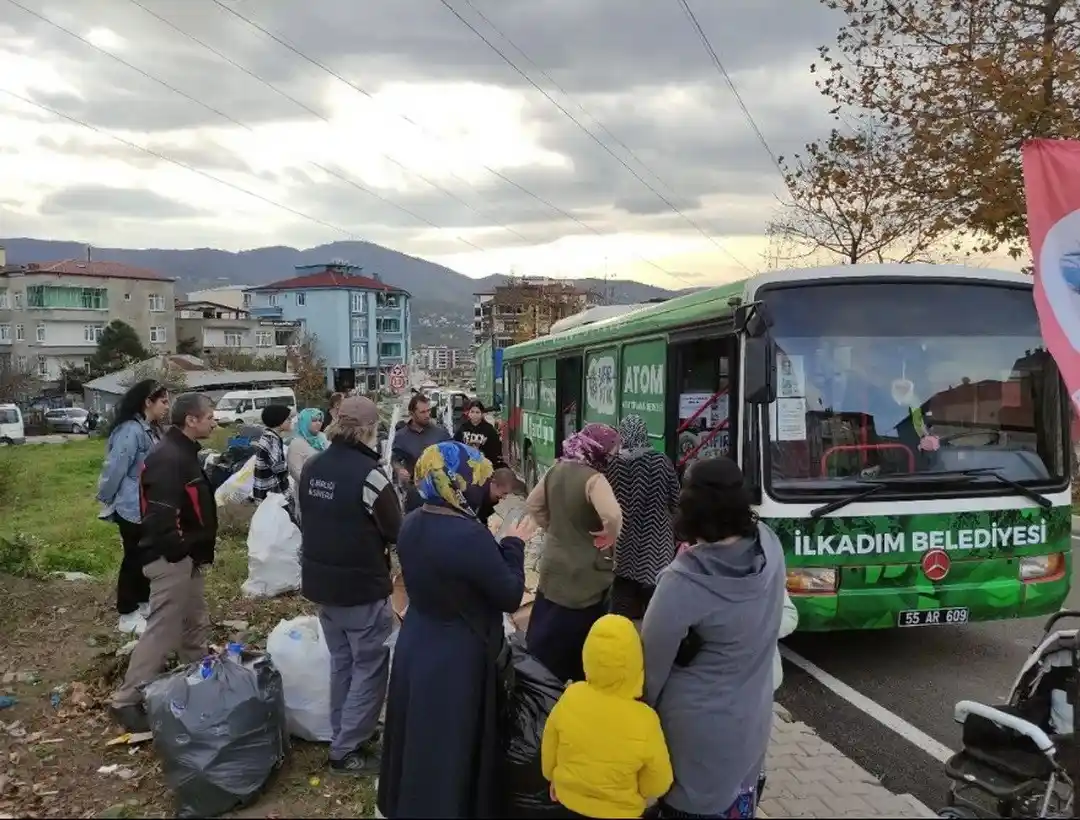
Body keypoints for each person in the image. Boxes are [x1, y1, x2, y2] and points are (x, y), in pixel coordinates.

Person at [377, 441, 536, 819]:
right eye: (476, 478)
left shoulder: (414, 520)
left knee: (419, 739)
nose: (480, 487)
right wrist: (513, 544)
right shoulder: (467, 535)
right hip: (458, 655)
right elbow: (510, 595)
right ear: (456, 482)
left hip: (418, 642)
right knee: (452, 746)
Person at [641, 457, 786, 819]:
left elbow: (648, 676)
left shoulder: (682, 582)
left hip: (694, 738)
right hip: (750, 722)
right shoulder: (770, 548)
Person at [298, 396, 401, 775]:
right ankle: (347, 750)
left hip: (321, 583)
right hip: (360, 586)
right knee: (370, 666)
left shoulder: (312, 466)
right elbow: (395, 529)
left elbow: (303, 515)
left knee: (343, 663)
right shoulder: (370, 475)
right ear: (370, 430)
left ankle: (344, 730)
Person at [109, 393, 219, 733]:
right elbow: (160, 516)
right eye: (210, 416)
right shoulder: (168, 458)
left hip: (188, 557)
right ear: (191, 420)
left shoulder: (183, 452)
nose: (215, 421)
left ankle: (201, 685)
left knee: (194, 622)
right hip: (171, 559)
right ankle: (126, 700)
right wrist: (179, 552)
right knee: (163, 628)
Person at [541, 613, 673, 819]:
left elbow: (550, 744)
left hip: (571, 802)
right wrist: (641, 793)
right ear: (635, 662)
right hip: (620, 812)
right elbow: (659, 781)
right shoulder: (646, 720)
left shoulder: (571, 697)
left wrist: (553, 777)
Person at [525, 423, 622, 684]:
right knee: (581, 634)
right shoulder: (594, 478)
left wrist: (553, 528)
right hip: (585, 573)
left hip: (553, 563)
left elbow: (533, 503)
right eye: (612, 450)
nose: (613, 456)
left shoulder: (557, 468)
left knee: (547, 624)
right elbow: (612, 514)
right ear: (599, 449)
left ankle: (541, 681)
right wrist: (609, 535)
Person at [96, 379, 170, 636]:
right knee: (133, 559)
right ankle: (127, 613)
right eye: (163, 401)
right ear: (147, 402)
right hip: (131, 506)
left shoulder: (152, 430)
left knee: (147, 558)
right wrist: (105, 497)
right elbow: (115, 467)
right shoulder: (131, 431)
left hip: (149, 506)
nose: (166, 407)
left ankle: (143, 603)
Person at [605, 414, 681, 621]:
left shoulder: (613, 465)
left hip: (625, 541)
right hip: (657, 542)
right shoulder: (660, 461)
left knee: (623, 600)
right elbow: (676, 499)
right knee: (658, 602)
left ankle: (623, 637)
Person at [391, 393, 450, 513]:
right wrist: (399, 470)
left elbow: (453, 456)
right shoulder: (401, 436)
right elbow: (395, 459)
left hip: (439, 492)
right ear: (412, 414)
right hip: (415, 493)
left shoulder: (441, 433)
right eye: (423, 412)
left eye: (428, 411)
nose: (427, 415)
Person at [253, 404, 292, 501]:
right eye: (288, 419)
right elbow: (277, 466)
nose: (290, 421)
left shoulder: (268, 436)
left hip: (265, 488)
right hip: (270, 490)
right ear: (279, 421)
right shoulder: (271, 439)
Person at [454, 399, 503, 467]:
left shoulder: (489, 429)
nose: (474, 415)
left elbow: (496, 449)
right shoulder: (463, 427)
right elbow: (455, 445)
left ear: (482, 414)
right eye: (472, 412)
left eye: (477, 412)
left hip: (484, 466)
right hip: (466, 465)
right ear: (468, 413)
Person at [288, 407, 328, 486]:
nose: (318, 423)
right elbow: (296, 472)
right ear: (305, 421)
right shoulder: (297, 443)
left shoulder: (324, 438)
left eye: (320, 420)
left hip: (327, 487)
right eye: (314, 420)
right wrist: (316, 485)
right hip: (307, 488)